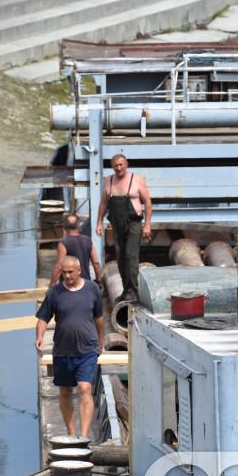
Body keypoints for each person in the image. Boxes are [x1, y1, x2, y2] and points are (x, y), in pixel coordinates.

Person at [35, 257, 105, 438]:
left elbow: (99, 318)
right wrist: (40, 336)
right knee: (65, 390)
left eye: (70, 272)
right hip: (63, 350)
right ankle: (71, 433)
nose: (66, 276)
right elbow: (43, 317)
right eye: (63, 272)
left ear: (79, 270)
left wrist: (101, 341)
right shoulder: (55, 293)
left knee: (84, 388)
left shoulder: (92, 289)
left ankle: (83, 437)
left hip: (87, 349)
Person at [95, 153, 152, 302]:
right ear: (112, 167)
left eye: (121, 165)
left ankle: (134, 290)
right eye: (115, 165)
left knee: (130, 255)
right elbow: (103, 203)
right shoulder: (109, 181)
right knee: (120, 257)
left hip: (134, 223)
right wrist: (99, 223)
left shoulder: (136, 179)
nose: (119, 168)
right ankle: (126, 290)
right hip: (117, 223)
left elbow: (147, 202)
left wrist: (147, 225)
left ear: (126, 164)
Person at [50, 213, 103, 287]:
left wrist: (51, 286)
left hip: (68, 286)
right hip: (85, 284)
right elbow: (96, 263)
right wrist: (99, 280)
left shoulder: (63, 244)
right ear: (78, 227)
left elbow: (59, 267)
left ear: (64, 228)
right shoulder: (88, 241)